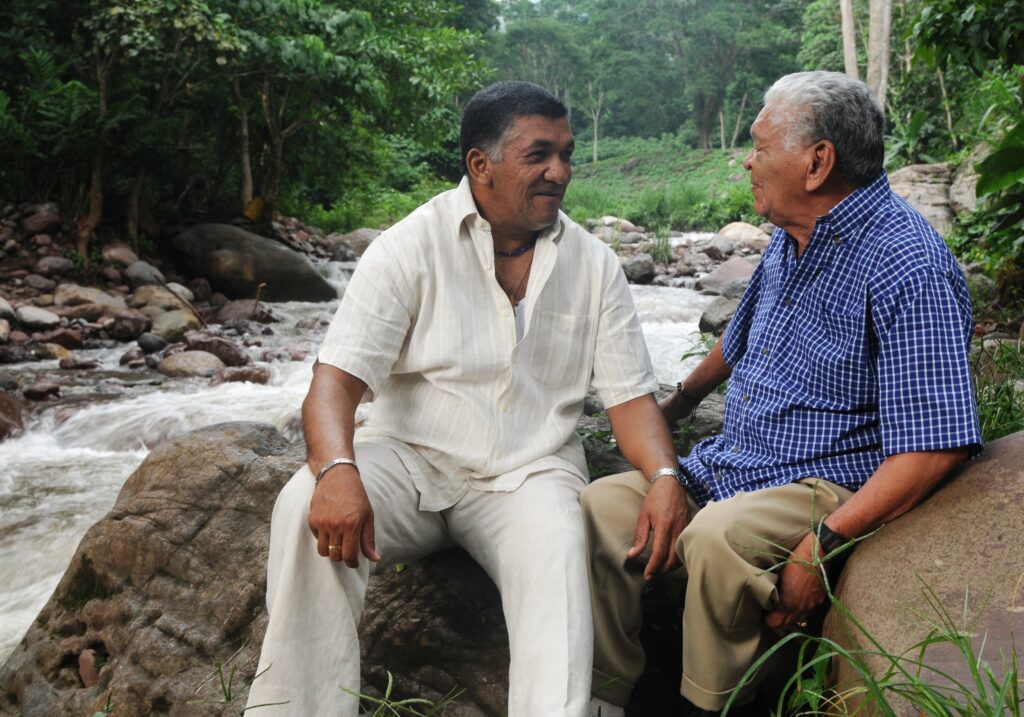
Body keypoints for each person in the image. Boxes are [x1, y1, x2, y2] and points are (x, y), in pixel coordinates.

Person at [245, 80, 683, 717]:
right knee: (301, 506)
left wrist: (665, 475)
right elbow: (334, 384)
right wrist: (337, 470)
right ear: (481, 164)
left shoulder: (595, 264)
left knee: (561, 555)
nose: (560, 171)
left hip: (530, 472)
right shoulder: (407, 247)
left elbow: (631, 400)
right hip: (408, 458)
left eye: (565, 154)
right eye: (539, 155)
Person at [583, 71, 982, 717]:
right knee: (601, 506)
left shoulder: (908, 263)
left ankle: (711, 704)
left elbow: (937, 444)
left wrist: (824, 540)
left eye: (761, 146)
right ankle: (607, 693)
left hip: (823, 477)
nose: (748, 161)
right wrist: (675, 406)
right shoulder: (792, 239)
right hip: (736, 463)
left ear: (817, 163)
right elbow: (738, 339)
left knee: (717, 539)